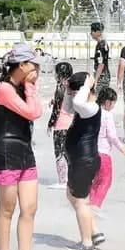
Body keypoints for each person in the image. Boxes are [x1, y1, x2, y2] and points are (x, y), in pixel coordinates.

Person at [0, 43, 49, 250]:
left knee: (30, 207)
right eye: (33, 65)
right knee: (7, 208)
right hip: (6, 150)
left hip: (25, 149)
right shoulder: (4, 89)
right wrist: (31, 87)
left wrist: (30, 86)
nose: (36, 69)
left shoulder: (25, 87)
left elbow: (37, 111)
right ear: (22, 65)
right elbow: (30, 112)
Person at [61, 72, 104, 250]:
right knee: (73, 196)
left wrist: (86, 84)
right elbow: (68, 109)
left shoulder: (91, 107)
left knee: (80, 202)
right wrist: (67, 91)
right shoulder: (83, 107)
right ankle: (94, 231)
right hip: (80, 160)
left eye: (73, 91)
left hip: (84, 161)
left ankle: (86, 243)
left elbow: (78, 103)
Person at [89, 87, 125, 219]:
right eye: (113, 103)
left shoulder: (93, 112)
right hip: (103, 154)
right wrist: (121, 147)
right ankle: (95, 206)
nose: (113, 106)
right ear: (107, 102)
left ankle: (90, 203)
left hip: (91, 152)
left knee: (95, 180)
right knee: (106, 180)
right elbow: (112, 135)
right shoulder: (107, 115)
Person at [47, 61, 76, 191]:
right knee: (71, 153)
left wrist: (50, 123)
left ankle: (63, 181)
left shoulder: (60, 86)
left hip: (61, 125)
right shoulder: (73, 85)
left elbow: (57, 109)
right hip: (72, 125)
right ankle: (72, 179)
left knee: (59, 153)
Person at [89, 21, 112, 94]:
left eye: (92, 31)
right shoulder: (102, 43)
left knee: (98, 98)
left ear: (98, 32)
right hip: (103, 75)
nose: (91, 33)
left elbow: (101, 64)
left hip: (102, 77)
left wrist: (95, 80)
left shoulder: (101, 45)